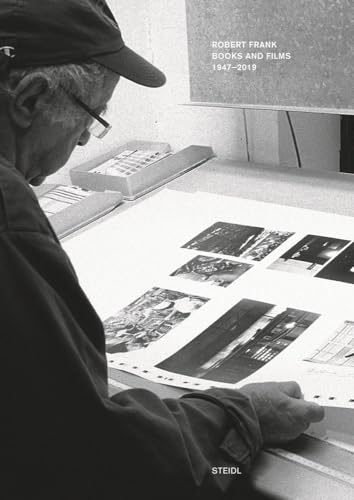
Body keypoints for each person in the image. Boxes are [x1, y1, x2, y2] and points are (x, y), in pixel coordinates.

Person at [0, 1, 324, 499]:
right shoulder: (8, 216)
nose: (87, 136)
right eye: (93, 115)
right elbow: (94, 455)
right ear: (28, 99)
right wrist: (243, 414)